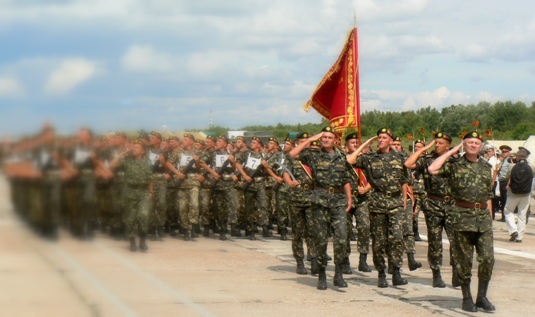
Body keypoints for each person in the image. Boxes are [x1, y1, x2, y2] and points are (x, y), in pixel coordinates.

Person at [428, 131, 495, 312]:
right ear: (463, 144)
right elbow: (432, 169)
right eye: (469, 142)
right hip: (462, 217)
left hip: (482, 218)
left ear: (481, 146)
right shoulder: (455, 165)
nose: (473, 145)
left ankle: (482, 296)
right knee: (464, 261)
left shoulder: (486, 167)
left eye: (476, 143)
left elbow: (488, 195)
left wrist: (490, 216)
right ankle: (467, 297)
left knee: (488, 259)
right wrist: (450, 152)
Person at [289, 126, 352, 290]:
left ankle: (338, 273)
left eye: (329, 138)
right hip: (319, 200)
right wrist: (310, 140)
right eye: (324, 137)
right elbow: (292, 154)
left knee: (341, 238)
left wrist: (349, 199)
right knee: (321, 240)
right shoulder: (313, 154)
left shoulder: (341, 156)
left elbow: (346, 179)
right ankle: (322, 274)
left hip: (338, 201)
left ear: (335, 140)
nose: (326, 140)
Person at [347, 128, 410, 288]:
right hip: (377, 203)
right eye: (379, 137)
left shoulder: (401, 157)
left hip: (395, 202)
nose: (381, 140)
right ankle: (381, 273)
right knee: (378, 241)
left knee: (396, 238)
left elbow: (404, 180)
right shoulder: (369, 158)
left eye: (384, 137)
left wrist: (404, 199)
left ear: (390, 140)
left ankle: (396, 272)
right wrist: (366, 144)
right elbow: (349, 160)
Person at [405, 132, 457, 288]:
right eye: (436, 142)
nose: (438, 145)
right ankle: (436, 274)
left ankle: (456, 271)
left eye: (441, 143)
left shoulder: (455, 161)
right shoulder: (427, 160)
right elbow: (408, 164)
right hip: (433, 203)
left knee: (456, 241)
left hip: (452, 204)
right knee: (435, 241)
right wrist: (423, 149)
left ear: (448, 145)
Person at [110, 138, 153, 252]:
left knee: (144, 215)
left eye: (137, 147)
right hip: (130, 192)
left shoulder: (148, 162)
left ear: (143, 150)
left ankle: (142, 240)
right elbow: (113, 165)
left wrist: (151, 192)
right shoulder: (127, 161)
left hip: (143, 193)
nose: (134, 148)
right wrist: (122, 153)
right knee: (131, 218)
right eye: (133, 147)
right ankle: (132, 241)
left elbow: (150, 178)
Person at [504, 148, 533, 243]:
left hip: (513, 192)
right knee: (522, 215)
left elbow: (507, 176)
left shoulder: (512, 166)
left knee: (508, 211)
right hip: (526, 193)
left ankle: (513, 230)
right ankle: (520, 237)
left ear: (517, 157)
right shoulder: (532, 166)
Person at [495, 145, 513, 221]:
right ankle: (503, 216)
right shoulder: (503, 161)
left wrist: (509, 184)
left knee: (505, 200)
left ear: (509, 152)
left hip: (506, 181)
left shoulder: (509, 160)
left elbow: (511, 173)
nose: (504, 153)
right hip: (501, 181)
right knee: (502, 199)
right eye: (503, 152)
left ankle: (505, 216)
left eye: (506, 152)